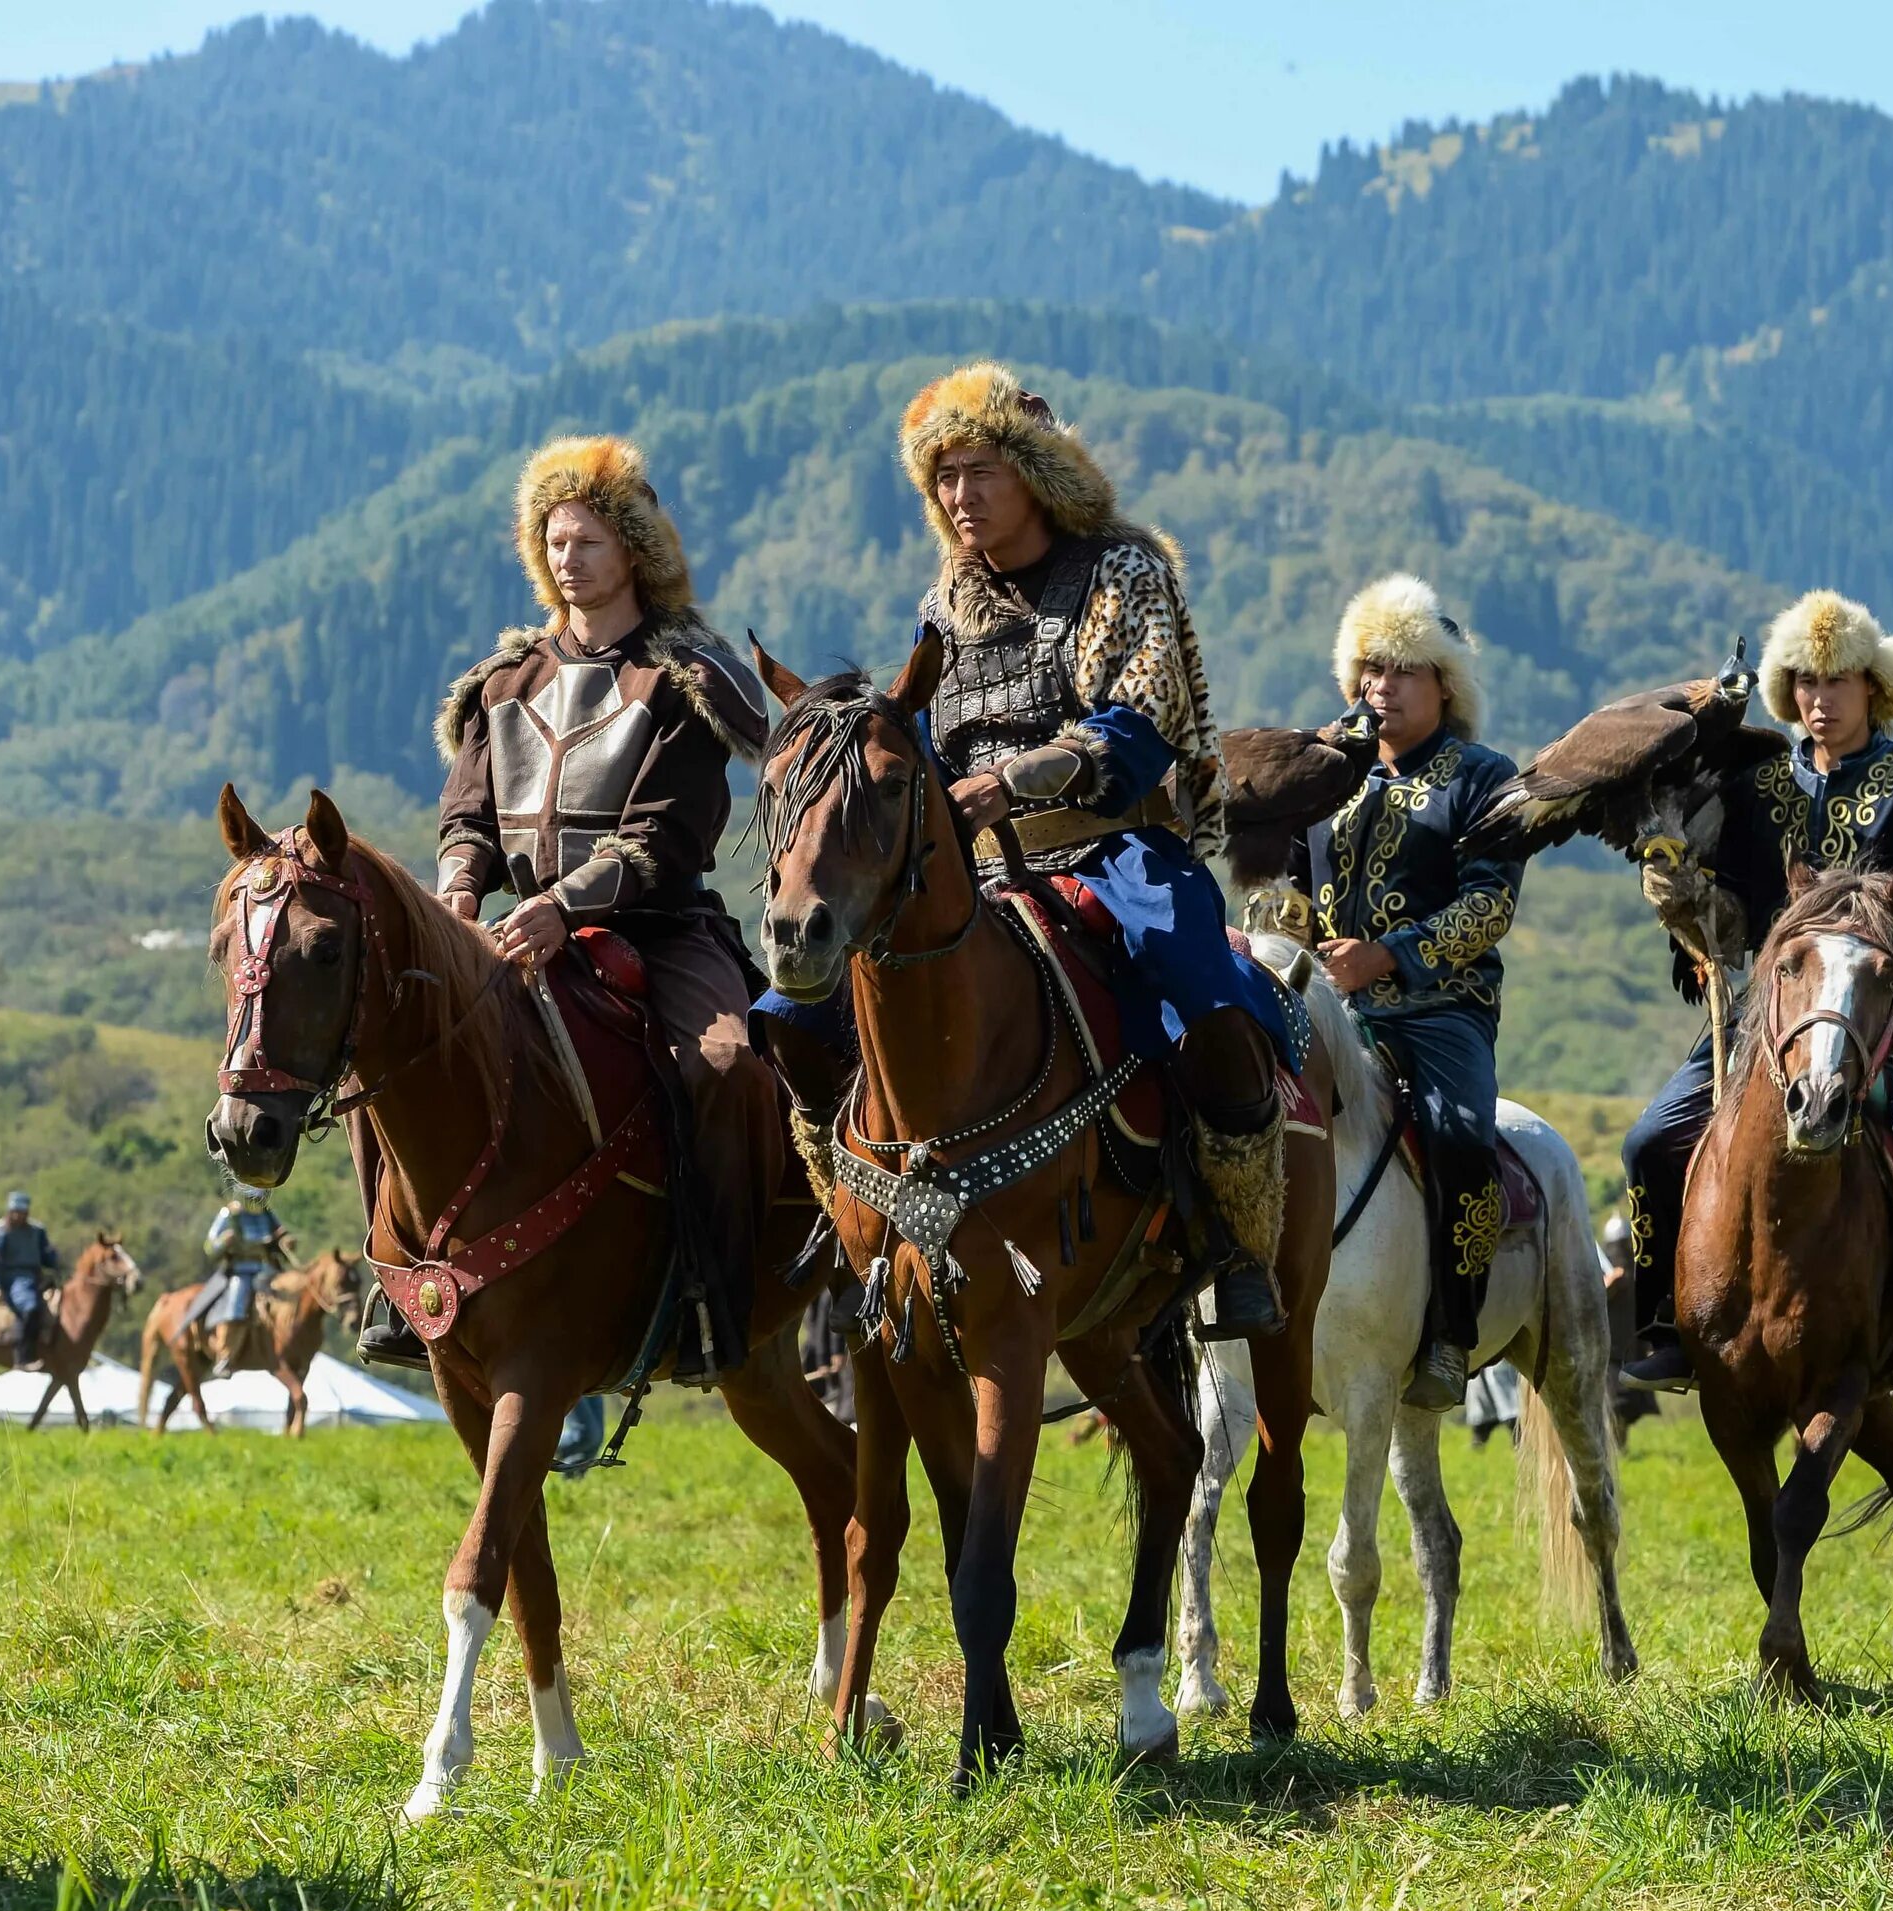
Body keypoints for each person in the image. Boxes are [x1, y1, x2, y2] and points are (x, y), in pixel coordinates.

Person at [753, 363, 1300, 1339]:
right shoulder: (943, 607)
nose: (961, 496)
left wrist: (1012, 780)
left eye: (981, 471)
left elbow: (1141, 727)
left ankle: (1235, 1245)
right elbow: (909, 746)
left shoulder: (1126, 573)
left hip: (1114, 856)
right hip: (968, 872)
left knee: (1212, 1007)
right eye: (945, 478)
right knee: (791, 1013)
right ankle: (859, 1218)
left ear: (1035, 471)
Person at [378, 433, 780, 1378]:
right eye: (556, 541)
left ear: (634, 550)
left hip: (660, 928)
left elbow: (665, 833)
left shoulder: (686, 677)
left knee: (724, 1068)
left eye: (589, 540)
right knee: (385, 1036)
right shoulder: (504, 681)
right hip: (508, 930)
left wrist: (565, 903)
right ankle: (398, 1280)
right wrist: (459, 895)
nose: (569, 558)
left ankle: (715, 1296)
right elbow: (468, 814)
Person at [1621, 588, 1893, 1419]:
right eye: (1804, 683)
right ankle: (1659, 1323)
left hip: (1885, 1019)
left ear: (1874, 688)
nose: (1819, 699)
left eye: (1837, 681)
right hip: (1767, 1022)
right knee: (1648, 1142)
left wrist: (1886, 947)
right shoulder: (1755, 781)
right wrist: (1685, 901)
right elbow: (1731, 903)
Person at [1291, 573, 1522, 1408]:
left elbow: (1490, 903)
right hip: (1319, 1003)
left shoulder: (1485, 776)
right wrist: (1281, 934)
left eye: (1402, 670)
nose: (1379, 686)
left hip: (1440, 1010)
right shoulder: (1320, 769)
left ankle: (1453, 1336)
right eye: (1369, 669)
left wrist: (1385, 956)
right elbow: (1283, 888)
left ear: (1444, 685)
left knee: (1462, 1139)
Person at [191, 1186, 287, 1363]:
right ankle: (225, 1355)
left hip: (267, 1270)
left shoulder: (266, 1214)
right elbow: (210, 1246)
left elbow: (279, 1236)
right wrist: (223, 1241)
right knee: (236, 1304)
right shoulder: (229, 1214)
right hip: (240, 1271)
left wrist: (285, 1241)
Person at [0, 1190, 61, 1365]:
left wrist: (58, 1262)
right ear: (9, 1212)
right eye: (15, 1212)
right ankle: (23, 1357)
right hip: (13, 1279)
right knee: (30, 1307)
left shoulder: (37, 1231)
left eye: (22, 1212)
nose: (19, 1216)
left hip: (35, 1276)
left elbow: (47, 1257)